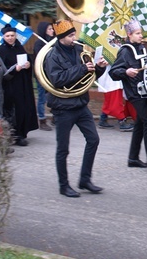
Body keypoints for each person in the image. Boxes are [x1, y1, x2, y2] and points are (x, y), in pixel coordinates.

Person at [44, 20, 108, 198]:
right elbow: (57, 79)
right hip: (63, 107)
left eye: (74, 34)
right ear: (61, 37)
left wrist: (99, 68)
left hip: (80, 103)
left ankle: (84, 179)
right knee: (63, 149)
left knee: (93, 140)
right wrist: (81, 69)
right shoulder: (52, 56)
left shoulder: (79, 50)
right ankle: (64, 186)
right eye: (71, 36)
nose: (75, 38)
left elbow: (89, 75)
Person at [110, 18, 147, 170]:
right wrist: (126, 71)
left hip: (145, 91)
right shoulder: (125, 51)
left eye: (141, 33)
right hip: (134, 93)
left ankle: (133, 158)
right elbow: (113, 72)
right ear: (129, 35)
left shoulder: (141, 48)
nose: (140, 36)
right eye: (137, 33)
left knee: (140, 124)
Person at [0, 24, 38, 146]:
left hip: (22, 85)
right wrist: (14, 69)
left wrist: (29, 64)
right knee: (13, 111)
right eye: (7, 36)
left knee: (23, 108)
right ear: (3, 37)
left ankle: (23, 133)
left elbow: (27, 60)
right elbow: (1, 71)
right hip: (10, 86)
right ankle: (15, 135)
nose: (10, 38)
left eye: (12, 35)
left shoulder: (20, 47)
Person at [33, 21, 55, 131]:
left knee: (55, 95)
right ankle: (42, 120)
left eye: (52, 29)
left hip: (52, 74)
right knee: (42, 98)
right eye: (50, 29)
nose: (52, 31)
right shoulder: (39, 43)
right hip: (41, 74)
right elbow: (40, 60)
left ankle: (55, 116)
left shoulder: (53, 41)